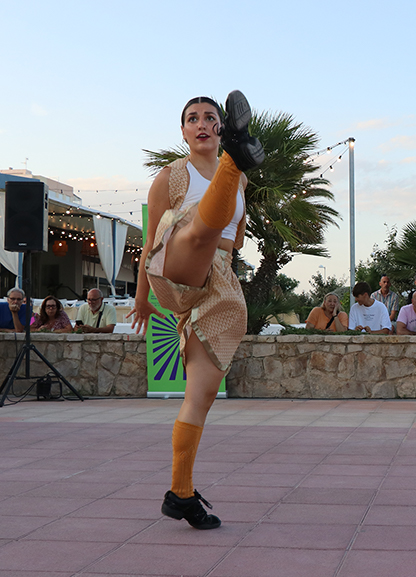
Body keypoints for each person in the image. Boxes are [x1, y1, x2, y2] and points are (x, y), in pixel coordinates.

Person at [127, 91, 265, 530]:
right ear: (184, 131)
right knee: (197, 232)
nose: (202, 123)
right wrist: (141, 300)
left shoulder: (241, 186)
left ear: (219, 128)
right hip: (176, 265)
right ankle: (236, 157)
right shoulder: (170, 176)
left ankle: (180, 494)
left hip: (219, 284)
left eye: (210, 117)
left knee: (200, 396)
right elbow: (150, 241)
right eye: (193, 118)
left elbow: (234, 242)